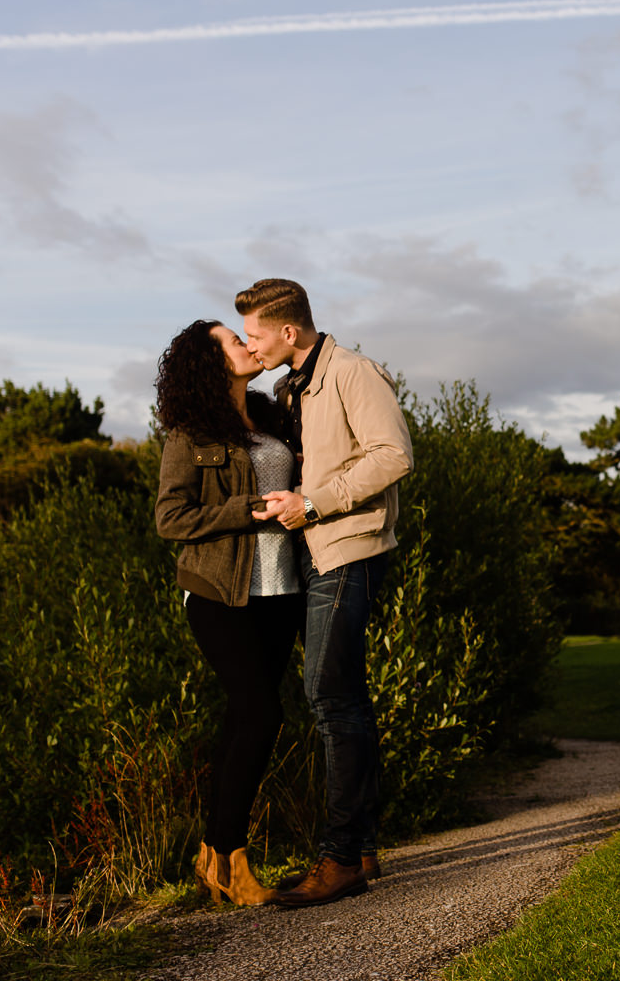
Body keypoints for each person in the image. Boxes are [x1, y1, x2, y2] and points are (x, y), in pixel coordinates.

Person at [237, 278, 415, 908]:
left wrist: (311, 501)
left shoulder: (353, 372)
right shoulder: (291, 386)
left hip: (351, 550)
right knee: (345, 700)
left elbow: (394, 455)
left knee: (329, 697)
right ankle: (361, 849)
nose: (250, 345)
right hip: (317, 554)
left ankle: (339, 858)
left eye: (255, 333)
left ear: (288, 331)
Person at [154, 319, 302, 906]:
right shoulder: (188, 435)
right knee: (263, 715)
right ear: (209, 363)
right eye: (232, 341)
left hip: (281, 591)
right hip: (219, 593)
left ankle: (211, 859)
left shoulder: (272, 421)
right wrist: (246, 509)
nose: (246, 344)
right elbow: (171, 520)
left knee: (242, 721)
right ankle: (232, 860)